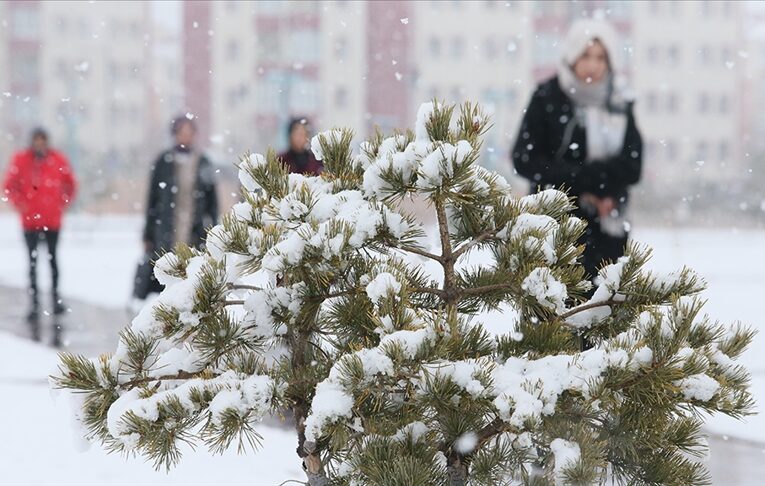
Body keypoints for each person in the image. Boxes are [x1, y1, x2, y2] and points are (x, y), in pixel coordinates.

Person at [512, 18, 642, 280]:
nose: (593, 65)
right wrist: (583, 183)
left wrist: (603, 191)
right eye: (585, 55)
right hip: (552, 227)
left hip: (607, 229)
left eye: (601, 57)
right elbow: (524, 158)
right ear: (572, 56)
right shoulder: (547, 97)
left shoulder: (618, 102)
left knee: (604, 310)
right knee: (552, 311)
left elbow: (632, 165)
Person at [2, 128, 77, 343]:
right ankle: (34, 304)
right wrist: (22, 205)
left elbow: (70, 184)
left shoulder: (57, 159)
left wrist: (60, 203)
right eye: (36, 141)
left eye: (42, 141)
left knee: (53, 261)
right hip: (30, 222)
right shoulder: (22, 160)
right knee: (33, 263)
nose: (39, 144)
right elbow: (9, 186)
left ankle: (55, 300)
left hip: (52, 221)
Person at [138, 116, 219, 298]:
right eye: (182, 132)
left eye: (190, 133)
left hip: (194, 228)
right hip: (167, 227)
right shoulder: (163, 161)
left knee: (192, 276)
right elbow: (152, 200)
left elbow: (212, 202)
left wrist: (213, 231)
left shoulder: (203, 162)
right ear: (174, 134)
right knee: (166, 275)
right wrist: (148, 234)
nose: (186, 137)